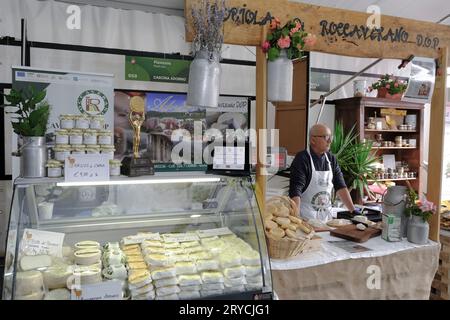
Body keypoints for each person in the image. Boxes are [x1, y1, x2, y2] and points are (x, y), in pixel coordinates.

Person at [289, 123, 358, 222]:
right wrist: (296, 219)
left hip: (327, 218)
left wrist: (352, 210)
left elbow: (340, 186)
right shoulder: (302, 159)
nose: (330, 141)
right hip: (306, 218)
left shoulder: (331, 159)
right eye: (326, 137)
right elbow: (296, 191)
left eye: (331, 137)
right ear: (313, 140)